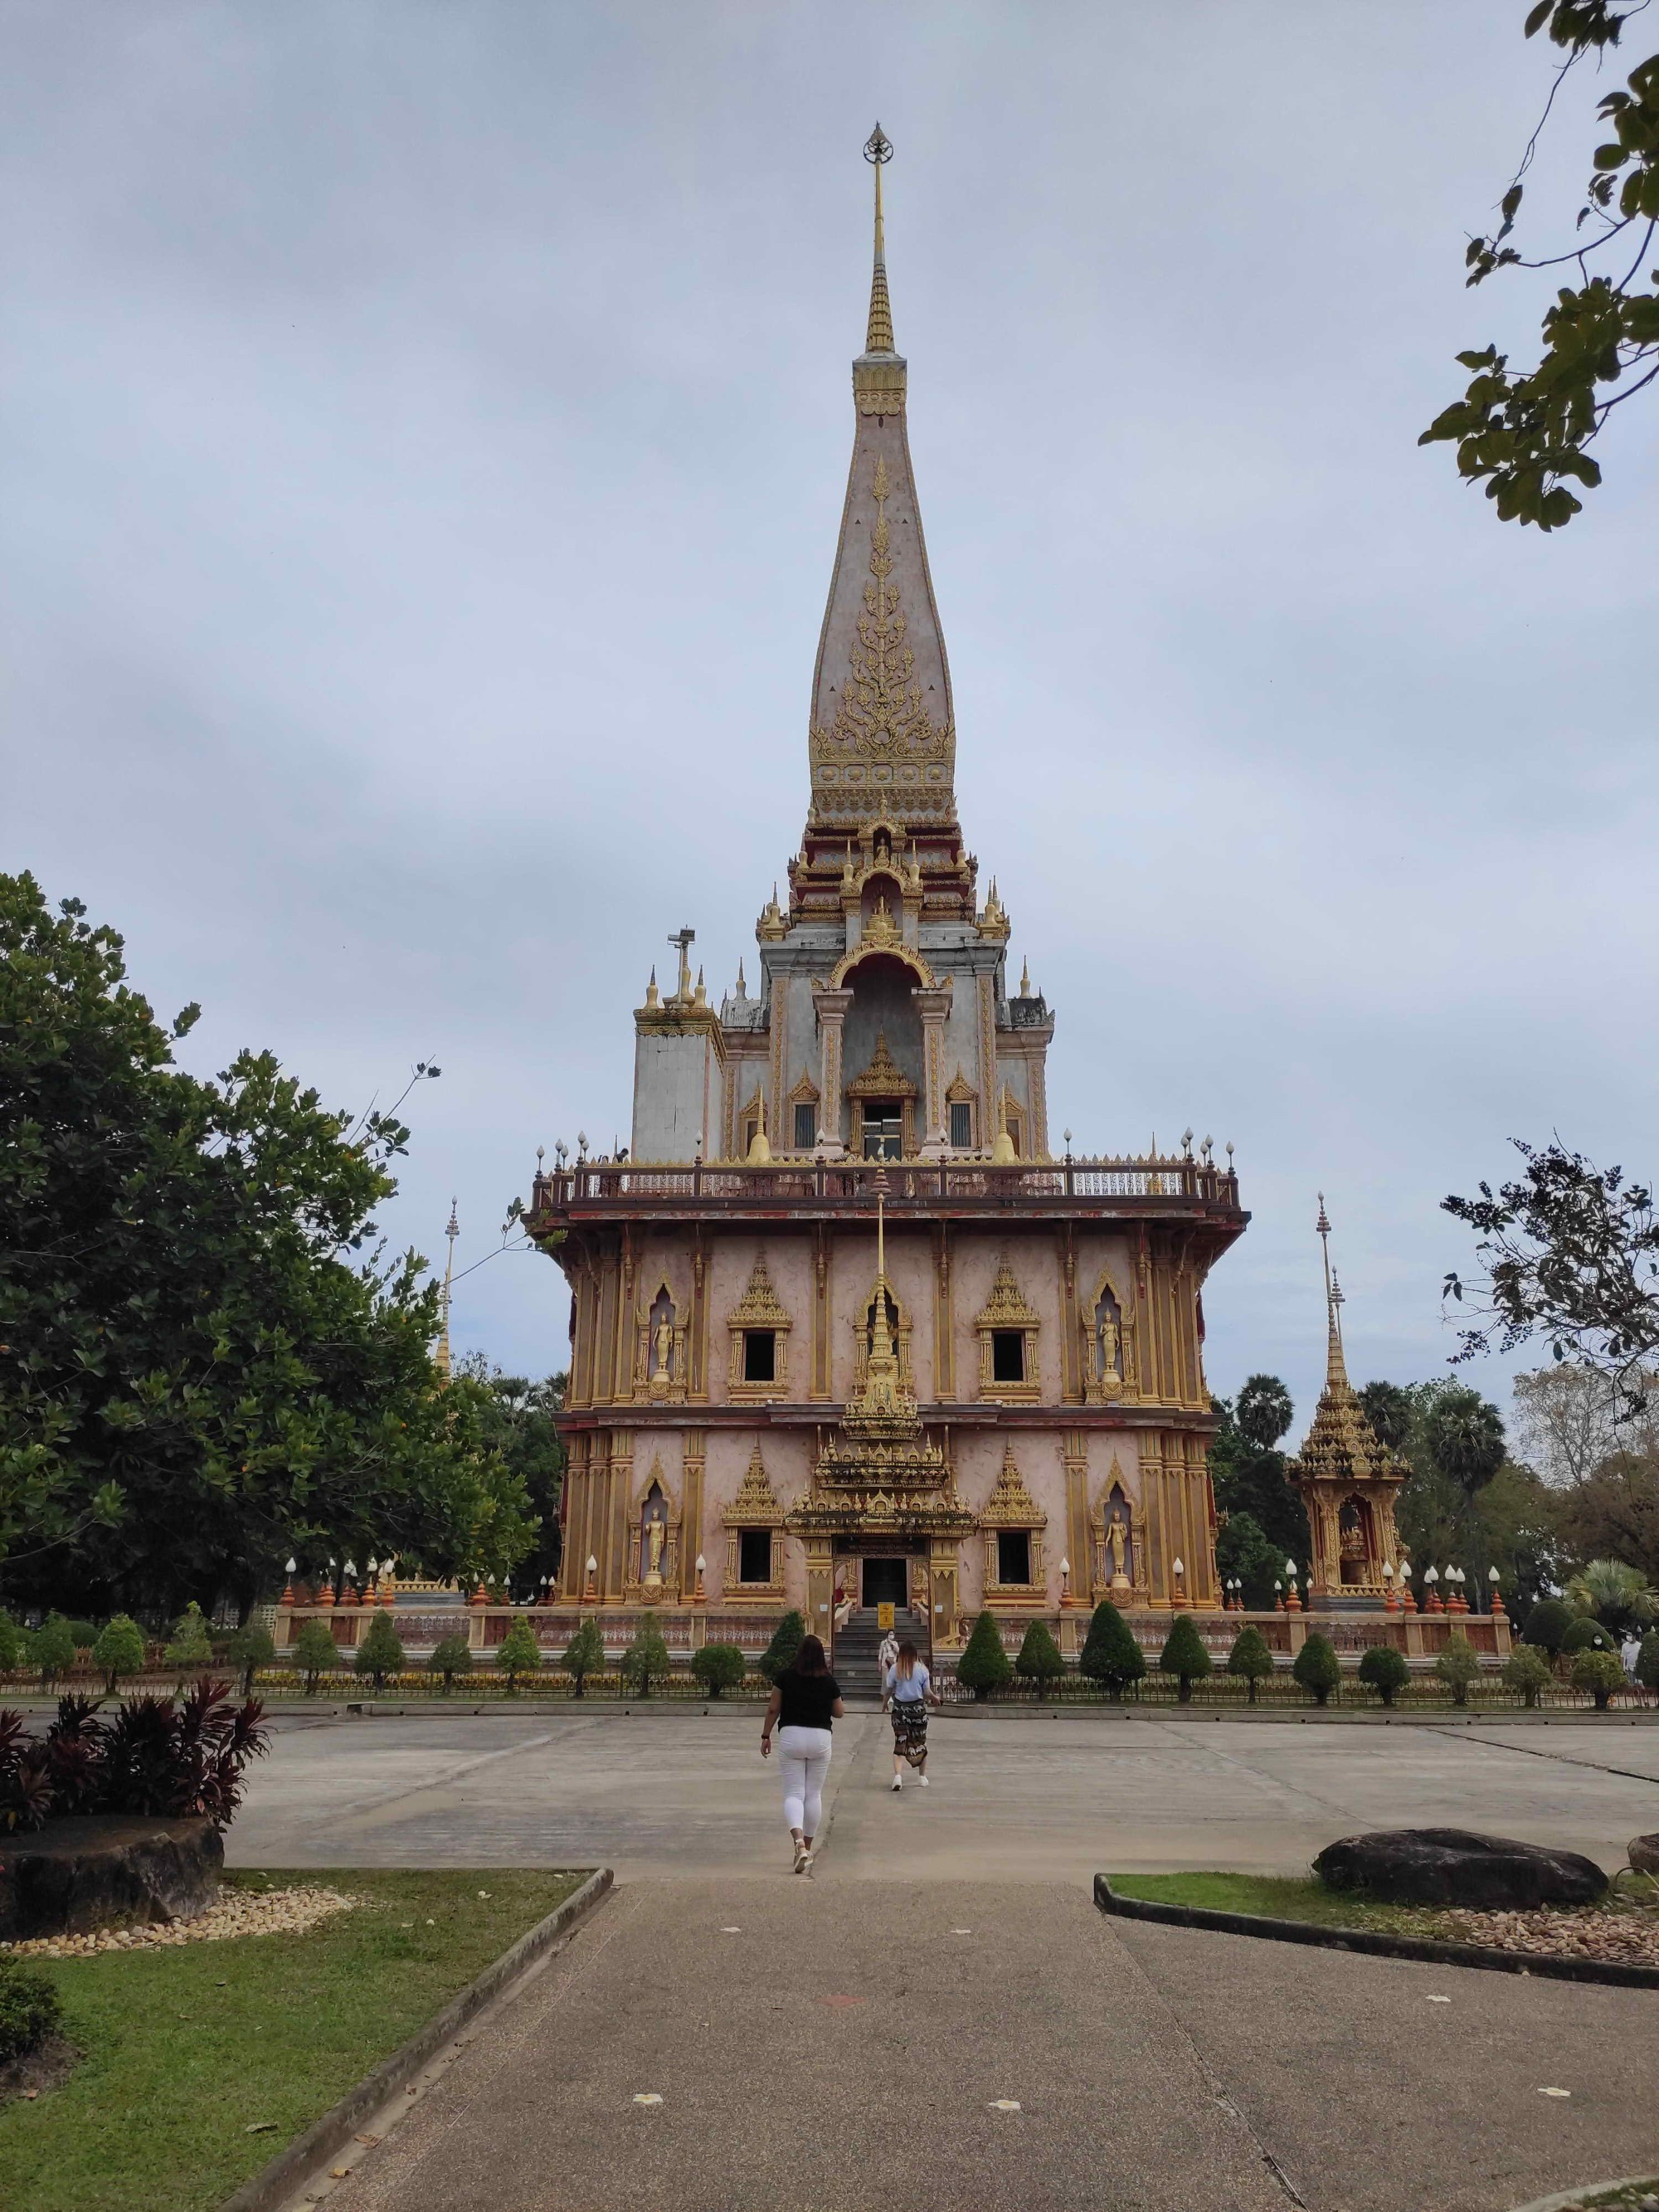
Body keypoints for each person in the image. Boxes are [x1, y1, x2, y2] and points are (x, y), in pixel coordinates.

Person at [760, 1633, 844, 1873]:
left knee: (794, 1794)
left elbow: (774, 1708)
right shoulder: (828, 1680)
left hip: (791, 1737)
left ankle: (797, 1842)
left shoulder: (785, 1676)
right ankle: (807, 1847)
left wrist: (766, 1736)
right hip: (819, 1738)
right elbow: (839, 1712)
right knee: (813, 1794)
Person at [883, 1637, 940, 1791]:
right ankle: (922, 1777)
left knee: (900, 1742)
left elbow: (888, 1690)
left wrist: (884, 1704)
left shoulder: (895, 1668)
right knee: (920, 1742)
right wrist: (935, 1698)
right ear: (915, 1653)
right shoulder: (922, 1669)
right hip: (917, 1711)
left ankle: (898, 1777)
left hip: (900, 1711)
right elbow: (927, 1692)